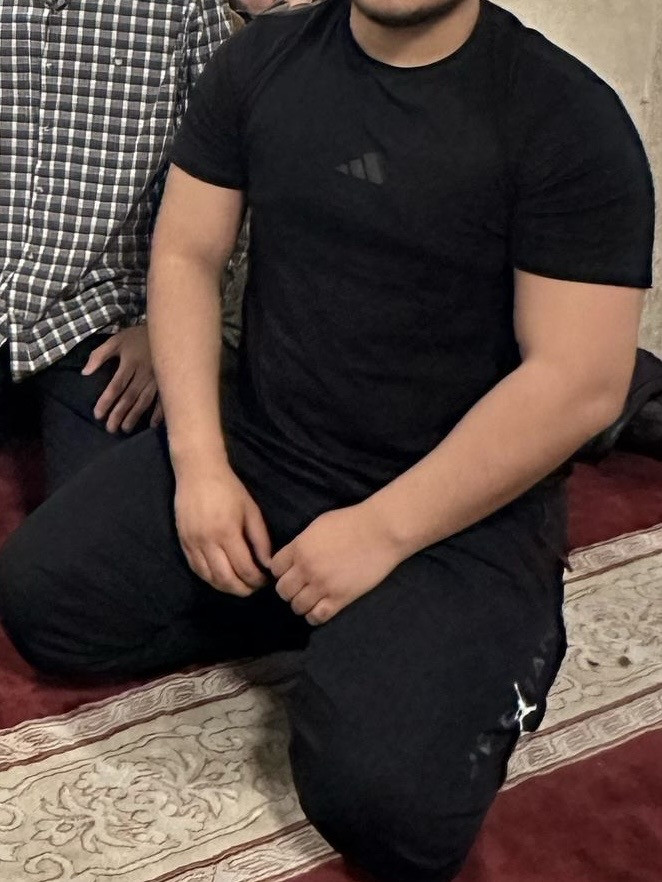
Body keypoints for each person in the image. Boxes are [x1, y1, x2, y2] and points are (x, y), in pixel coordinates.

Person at [0, 1, 655, 880]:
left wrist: (379, 532)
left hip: (454, 510)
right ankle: (312, 607)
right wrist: (201, 468)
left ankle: (493, 645)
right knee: (45, 604)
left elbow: (579, 382)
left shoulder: (565, 115)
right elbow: (188, 254)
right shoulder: (260, 61)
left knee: (385, 813)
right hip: (269, 450)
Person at [0, 0, 242, 492]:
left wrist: (168, 329)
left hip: (97, 322)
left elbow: (235, 193)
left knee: (102, 524)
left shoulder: (186, 14)